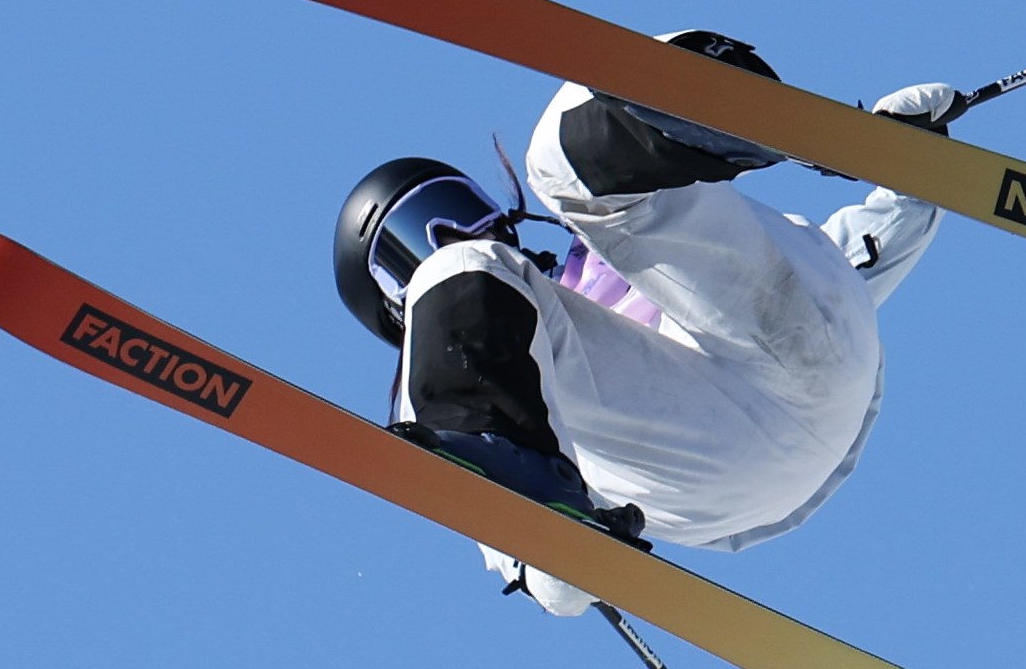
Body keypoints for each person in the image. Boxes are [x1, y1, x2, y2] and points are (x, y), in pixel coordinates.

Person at [333, 34, 962, 614]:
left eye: (460, 207)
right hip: (690, 465)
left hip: (795, 398)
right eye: (413, 239)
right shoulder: (554, 361)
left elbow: (812, 291)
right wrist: (543, 556)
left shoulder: (610, 240)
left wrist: (907, 179)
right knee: (485, 264)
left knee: (562, 156)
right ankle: (519, 476)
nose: (463, 231)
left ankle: (727, 114)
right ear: (392, 309)